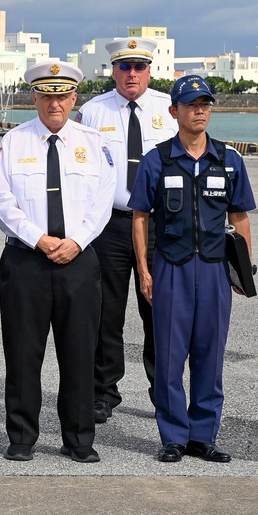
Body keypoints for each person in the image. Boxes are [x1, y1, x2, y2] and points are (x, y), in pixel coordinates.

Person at [0, 61, 116, 463]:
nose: (54, 103)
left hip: (79, 262)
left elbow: (103, 201)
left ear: (74, 98)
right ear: (35, 98)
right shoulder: (13, 142)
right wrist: (38, 239)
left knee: (79, 353)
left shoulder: (95, 143)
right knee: (23, 353)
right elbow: (0, 200)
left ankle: (79, 439)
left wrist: (76, 241)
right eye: (47, 95)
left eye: (62, 95)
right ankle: (21, 437)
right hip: (26, 261)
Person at [128, 75, 255, 463]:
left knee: (209, 354)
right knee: (168, 356)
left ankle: (203, 436)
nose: (200, 111)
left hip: (215, 269)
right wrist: (145, 271)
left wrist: (243, 270)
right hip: (171, 267)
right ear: (174, 112)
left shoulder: (228, 160)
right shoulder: (158, 159)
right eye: (191, 104)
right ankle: (173, 437)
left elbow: (240, 217)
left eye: (205, 104)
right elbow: (139, 218)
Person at [76, 37, 177, 422]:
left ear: (150, 70)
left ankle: (163, 391)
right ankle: (104, 392)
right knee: (106, 312)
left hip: (159, 224)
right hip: (111, 225)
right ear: (113, 70)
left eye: (138, 67)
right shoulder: (93, 111)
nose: (131, 74)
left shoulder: (168, 110)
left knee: (160, 311)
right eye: (124, 67)